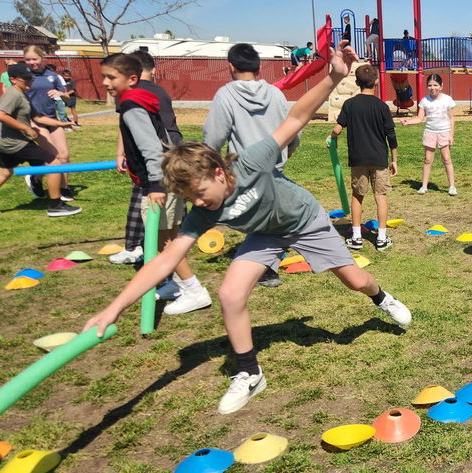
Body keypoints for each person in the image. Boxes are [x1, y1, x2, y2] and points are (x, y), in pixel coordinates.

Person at [84, 41, 411, 416]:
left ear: (220, 172)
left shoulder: (253, 161)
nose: (201, 205)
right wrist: (114, 308)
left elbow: (296, 118)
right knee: (230, 294)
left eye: (203, 194)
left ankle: (382, 299)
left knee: (356, 281)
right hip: (265, 234)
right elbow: (163, 260)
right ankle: (250, 372)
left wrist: (333, 76)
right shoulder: (202, 211)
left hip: (303, 220)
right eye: (192, 199)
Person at [100, 53, 213, 315]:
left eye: (111, 77)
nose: (106, 82)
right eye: (103, 76)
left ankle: (194, 291)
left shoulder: (132, 106)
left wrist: (155, 186)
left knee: (165, 241)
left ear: (132, 78)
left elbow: (151, 148)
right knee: (169, 235)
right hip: (164, 175)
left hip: (159, 180)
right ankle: (176, 284)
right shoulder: (138, 98)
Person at [204, 43, 301, 287]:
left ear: (230, 66)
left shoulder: (226, 95)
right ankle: (269, 262)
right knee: (264, 213)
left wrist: (209, 161)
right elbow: (292, 130)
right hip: (273, 165)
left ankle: (265, 268)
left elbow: (214, 137)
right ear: (259, 67)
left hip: (244, 167)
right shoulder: (276, 94)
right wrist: (287, 152)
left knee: (255, 215)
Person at [0, 63, 80, 218]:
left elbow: (38, 117)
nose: (30, 81)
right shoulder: (13, 94)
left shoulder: (22, 94)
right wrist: (26, 129)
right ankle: (56, 205)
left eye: (31, 77)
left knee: (4, 172)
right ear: (13, 80)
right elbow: (1, 115)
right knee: (55, 163)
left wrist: (62, 123)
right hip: (15, 142)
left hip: (8, 141)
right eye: (25, 78)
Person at [327, 64, 399, 251]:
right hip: (379, 159)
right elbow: (391, 135)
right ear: (376, 81)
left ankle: (356, 236)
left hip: (358, 158)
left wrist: (332, 137)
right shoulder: (382, 106)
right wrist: (394, 159)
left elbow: (337, 128)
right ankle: (382, 238)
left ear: (357, 82)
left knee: (358, 195)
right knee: (380, 195)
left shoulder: (349, 104)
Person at [22, 46, 75, 201]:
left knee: (64, 155)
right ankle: (35, 178)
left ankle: (64, 188)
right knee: (53, 156)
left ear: (42, 58)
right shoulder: (23, 76)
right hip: (35, 120)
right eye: (28, 59)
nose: (32, 62)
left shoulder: (52, 76)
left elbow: (67, 98)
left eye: (35, 59)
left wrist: (60, 94)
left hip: (52, 119)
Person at [401, 73, 457, 196]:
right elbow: (420, 118)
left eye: (435, 85)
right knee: (427, 160)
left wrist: (450, 135)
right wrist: (408, 122)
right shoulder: (424, 101)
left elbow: (452, 119)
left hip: (444, 132)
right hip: (430, 132)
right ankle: (424, 186)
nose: (433, 88)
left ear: (441, 86)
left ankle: (452, 186)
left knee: (446, 159)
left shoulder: (447, 99)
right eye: (430, 85)